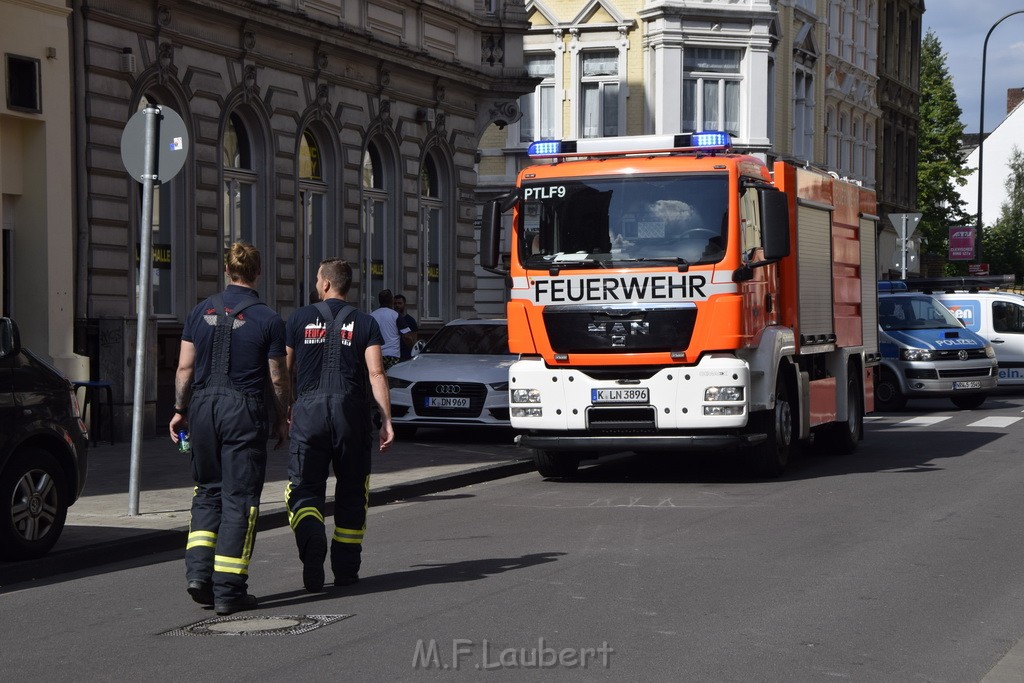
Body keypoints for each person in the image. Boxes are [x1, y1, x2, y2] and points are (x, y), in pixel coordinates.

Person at [168, 242, 290, 616]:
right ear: (257, 273)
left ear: (227, 271)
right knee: (240, 500)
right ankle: (229, 589)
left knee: (207, 492)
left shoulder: (198, 310)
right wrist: (283, 416)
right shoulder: (268, 319)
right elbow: (277, 379)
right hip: (243, 411)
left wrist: (179, 410)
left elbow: (184, 369)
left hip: (203, 408)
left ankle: (199, 577)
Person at [285, 258, 394, 592]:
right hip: (352, 415)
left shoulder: (299, 318)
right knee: (352, 493)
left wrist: (285, 410)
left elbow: (281, 371)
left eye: (318, 278)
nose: (316, 283)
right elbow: (376, 373)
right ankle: (345, 570)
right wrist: (386, 420)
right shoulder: (365, 323)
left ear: (327, 284)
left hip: (309, 413)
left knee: (304, 488)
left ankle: (312, 539)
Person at [370, 288, 402, 370]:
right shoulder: (396, 315)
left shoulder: (372, 316)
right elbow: (407, 336)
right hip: (393, 354)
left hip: (376, 354)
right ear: (391, 301)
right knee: (393, 380)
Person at [393, 293, 418, 361]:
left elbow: (414, 339)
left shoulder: (410, 320)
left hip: (406, 355)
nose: (397, 305)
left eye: (399, 303)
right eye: (395, 303)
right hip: (393, 354)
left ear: (404, 304)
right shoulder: (391, 319)